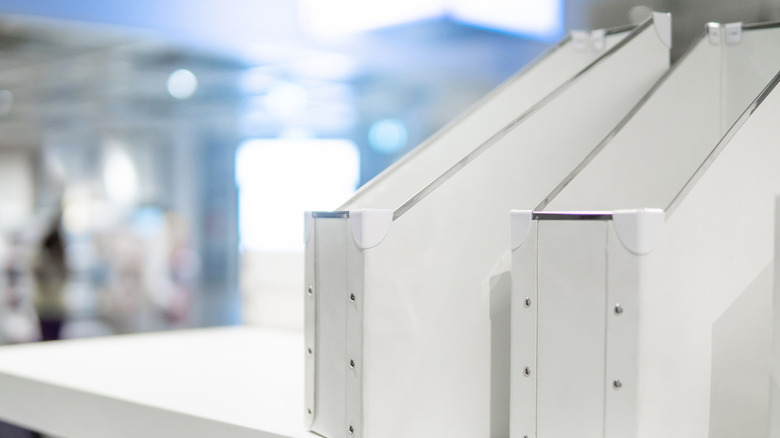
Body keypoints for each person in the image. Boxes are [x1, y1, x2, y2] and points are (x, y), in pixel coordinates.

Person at [33, 220, 68, 341]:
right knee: (48, 338)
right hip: (46, 306)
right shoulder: (42, 259)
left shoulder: (60, 260)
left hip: (55, 306)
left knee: (53, 338)